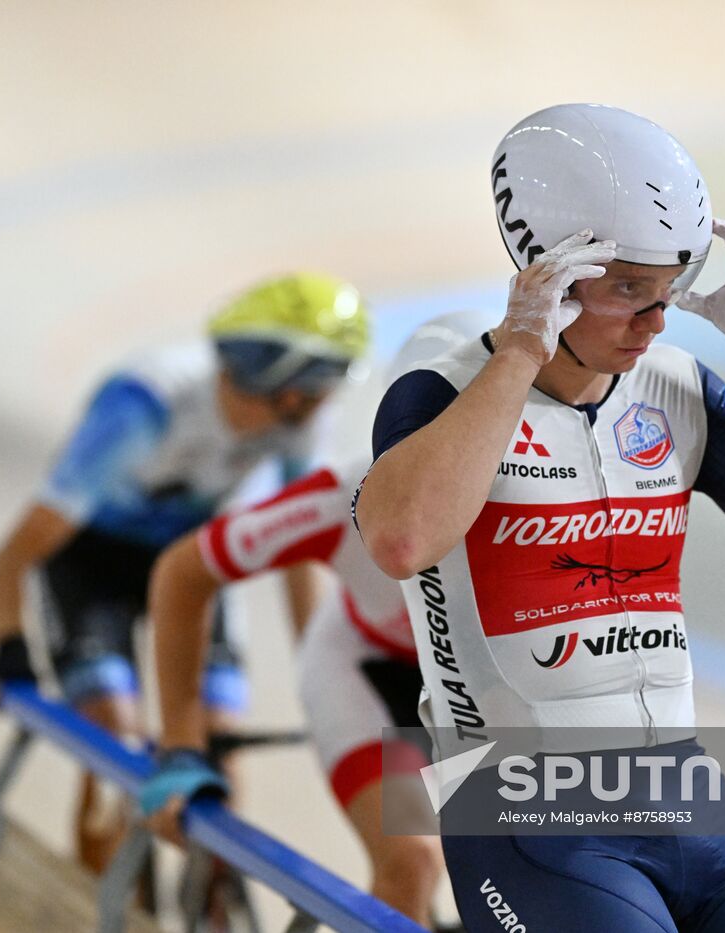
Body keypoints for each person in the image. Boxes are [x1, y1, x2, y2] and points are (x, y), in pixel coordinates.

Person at [354, 105, 725, 932]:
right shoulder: (442, 390)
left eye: (668, 290)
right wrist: (522, 352)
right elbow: (399, 540)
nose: (657, 321)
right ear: (547, 274)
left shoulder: (676, 390)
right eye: (630, 289)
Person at [0, 272, 370, 874]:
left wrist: (317, 670)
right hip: (93, 564)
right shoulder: (143, 407)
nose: (324, 406)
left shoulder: (298, 419)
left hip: (191, 566)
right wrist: (8, 645)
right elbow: (13, 558)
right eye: (319, 390)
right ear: (284, 385)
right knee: (115, 740)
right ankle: (101, 889)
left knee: (220, 750)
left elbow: (302, 549)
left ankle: (213, 890)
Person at [139, 311, 494, 927]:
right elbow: (183, 573)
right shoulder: (345, 495)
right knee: (411, 864)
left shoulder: (567, 495)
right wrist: (179, 745)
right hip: (363, 672)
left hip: (476, 693)